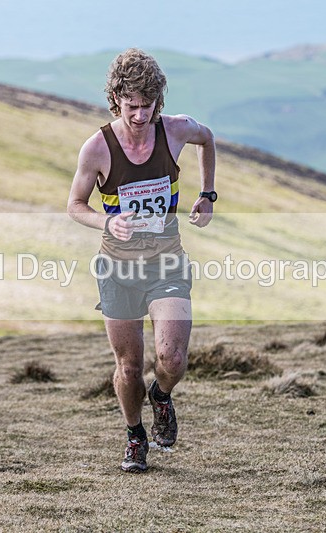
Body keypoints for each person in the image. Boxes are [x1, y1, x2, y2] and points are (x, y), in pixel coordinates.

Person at [67, 48, 216, 472]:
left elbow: (208, 139)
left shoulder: (176, 131)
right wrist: (106, 223)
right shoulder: (97, 148)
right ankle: (135, 435)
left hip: (167, 261)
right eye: (131, 106)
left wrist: (207, 195)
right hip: (118, 269)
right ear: (116, 100)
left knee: (172, 360)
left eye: (146, 106)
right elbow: (75, 205)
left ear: (158, 101)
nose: (138, 115)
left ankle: (163, 396)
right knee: (129, 367)